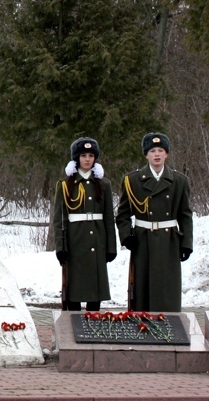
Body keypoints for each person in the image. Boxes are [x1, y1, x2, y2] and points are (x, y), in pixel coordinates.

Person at [116, 132, 193, 312]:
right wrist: (127, 236)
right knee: (142, 289)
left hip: (169, 241)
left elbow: (185, 215)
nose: (157, 154)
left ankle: (170, 326)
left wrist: (186, 244)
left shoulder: (179, 181)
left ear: (167, 154)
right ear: (146, 155)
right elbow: (123, 214)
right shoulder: (132, 180)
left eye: (160, 150)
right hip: (143, 241)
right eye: (152, 151)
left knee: (167, 288)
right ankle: (141, 326)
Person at [50, 137, 116, 311]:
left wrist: (111, 247)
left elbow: (109, 218)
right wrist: (60, 247)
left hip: (97, 241)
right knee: (74, 292)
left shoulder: (104, 185)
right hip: (75, 242)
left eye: (91, 155)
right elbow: (59, 219)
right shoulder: (65, 185)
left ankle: (93, 327)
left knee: (95, 292)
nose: (87, 159)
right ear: (76, 159)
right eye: (83, 155)